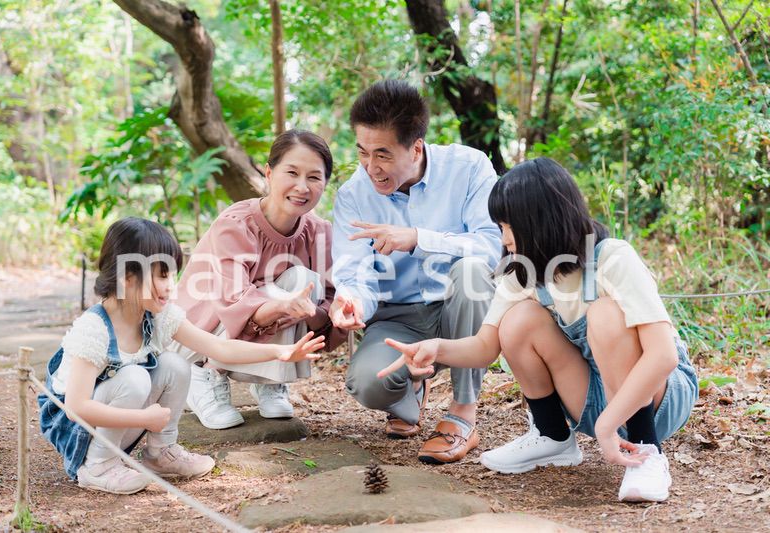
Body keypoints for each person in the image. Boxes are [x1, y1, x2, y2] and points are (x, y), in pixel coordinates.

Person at [379, 157, 698, 502]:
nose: (503, 238)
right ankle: (553, 437)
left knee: (605, 315)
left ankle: (647, 452)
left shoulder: (612, 258)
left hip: (658, 400)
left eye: (508, 226)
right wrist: (436, 348)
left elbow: (662, 356)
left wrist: (609, 424)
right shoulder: (524, 272)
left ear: (539, 221)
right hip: (596, 398)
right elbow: (486, 346)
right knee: (518, 321)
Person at [38, 217, 324, 495]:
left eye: (171, 274)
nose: (170, 285)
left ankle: (160, 453)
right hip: (74, 430)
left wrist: (279, 351)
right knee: (136, 377)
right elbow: (76, 407)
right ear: (128, 278)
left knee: (175, 364)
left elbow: (218, 347)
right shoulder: (94, 328)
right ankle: (98, 467)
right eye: (162, 275)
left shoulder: (155, 316)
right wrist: (142, 418)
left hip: (108, 422)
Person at [329, 80, 500, 464]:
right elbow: (354, 271)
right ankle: (411, 391)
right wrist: (351, 300)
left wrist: (418, 238)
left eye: (383, 155)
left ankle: (463, 414)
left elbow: (491, 247)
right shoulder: (354, 194)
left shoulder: (469, 168)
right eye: (362, 152)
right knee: (367, 385)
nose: (371, 167)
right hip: (397, 317)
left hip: (458, 308)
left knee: (472, 271)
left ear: (416, 147)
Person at [175, 129, 343, 429]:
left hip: (256, 328)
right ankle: (202, 374)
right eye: (291, 172)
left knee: (306, 281)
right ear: (269, 172)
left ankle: (269, 379)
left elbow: (328, 309)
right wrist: (282, 305)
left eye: (314, 177)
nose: (302, 187)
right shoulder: (236, 224)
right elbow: (233, 303)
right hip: (199, 333)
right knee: (283, 289)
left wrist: (316, 311)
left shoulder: (320, 232)